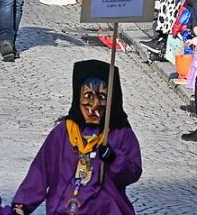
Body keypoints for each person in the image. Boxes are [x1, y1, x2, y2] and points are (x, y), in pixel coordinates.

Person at [11, 60, 142, 214]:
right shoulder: (63, 133)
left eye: (102, 97)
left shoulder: (121, 133)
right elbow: (41, 170)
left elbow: (133, 172)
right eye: (88, 96)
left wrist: (114, 159)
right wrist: (22, 204)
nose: (94, 105)